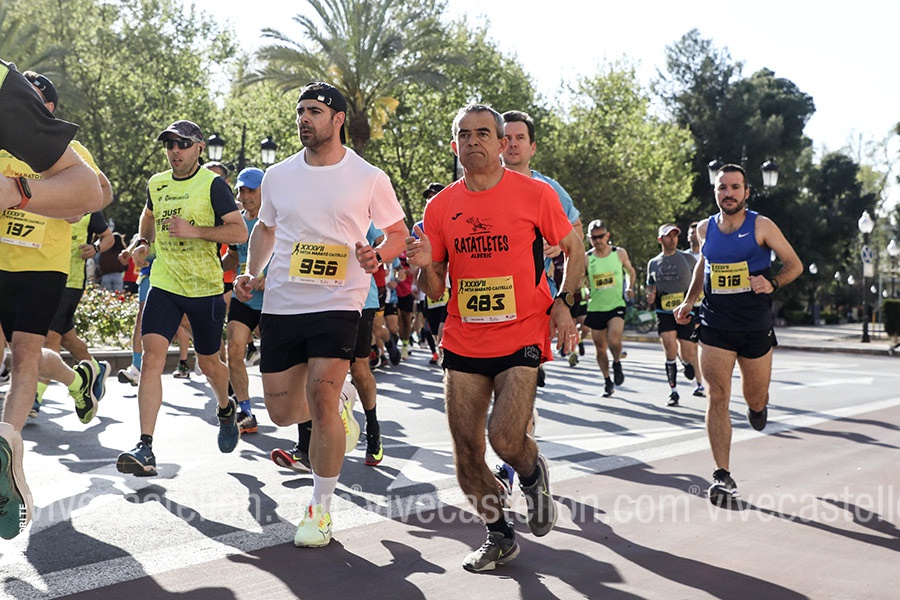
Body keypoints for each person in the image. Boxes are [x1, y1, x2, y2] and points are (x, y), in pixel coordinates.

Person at [405, 103, 584, 573]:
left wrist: (563, 302)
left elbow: (573, 248)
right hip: (464, 338)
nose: (473, 141)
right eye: (464, 135)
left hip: (522, 331)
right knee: (466, 452)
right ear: (454, 145)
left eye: (483, 133)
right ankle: (499, 535)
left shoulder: (535, 194)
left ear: (502, 143)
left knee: (505, 437)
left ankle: (531, 471)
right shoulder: (440, 207)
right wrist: (424, 265)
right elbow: (435, 288)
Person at [234, 82, 407, 548]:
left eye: (314, 111)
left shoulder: (368, 177)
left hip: (339, 301)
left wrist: (377, 255)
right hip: (283, 303)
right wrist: (252, 273)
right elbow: (265, 229)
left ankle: (320, 510)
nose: (304, 119)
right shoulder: (278, 176)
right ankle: (343, 397)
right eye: (300, 111)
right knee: (282, 412)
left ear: (338, 119)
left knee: (322, 398)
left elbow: (396, 233)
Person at [0, 63, 105, 540]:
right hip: (1, 261)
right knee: (16, 352)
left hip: (43, 266)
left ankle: (8, 443)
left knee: (25, 353)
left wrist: (53, 199)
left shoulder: (67, 150)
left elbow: (98, 192)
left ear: (49, 109)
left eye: (39, 100)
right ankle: (78, 379)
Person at [115, 119, 248, 477]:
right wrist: (142, 242)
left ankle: (226, 408)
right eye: (170, 144)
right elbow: (148, 217)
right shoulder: (157, 184)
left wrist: (195, 231)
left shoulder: (213, 185)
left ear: (199, 148)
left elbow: (239, 232)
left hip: (204, 288)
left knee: (210, 364)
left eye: (183, 144)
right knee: (152, 358)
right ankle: (145, 446)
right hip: (164, 283)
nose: (175, 151)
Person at [673, 164, 801, 505]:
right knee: (717, 395)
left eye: (734, 187)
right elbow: (704, 264)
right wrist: (689, 300)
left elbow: (794, 264)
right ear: (715, 192)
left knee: (754, 397)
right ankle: (722, 475)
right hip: (715, 324)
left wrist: (772, 282)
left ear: (746, 192)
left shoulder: (761, 225)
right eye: (722, 187)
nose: (728, 193)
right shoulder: (705, 228)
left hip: (755, 326)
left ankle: (758, 409)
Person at [32, 208, 115, 417]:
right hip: (43, 278)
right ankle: (96, 369)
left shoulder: (88, 210)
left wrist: (95, 248)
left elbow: (109, 237)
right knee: (67, 337)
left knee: (51, 336)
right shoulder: (45, 203)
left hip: (71, 282)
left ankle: (36, 396)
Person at [223, 167, 266, 434]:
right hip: (245, 298)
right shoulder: (237, 222)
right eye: (241, 190)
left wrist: (268, 277)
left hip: (275, 300)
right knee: (234, 350)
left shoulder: (277, 220)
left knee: (277, 363)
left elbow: (293, 257)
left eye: (251, 190)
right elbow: (233, 256)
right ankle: (246, 411)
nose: (245, 195)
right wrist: (211, 269)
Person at [645, 224, 699, 407]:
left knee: (688, 352)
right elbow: (650, 286)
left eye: (675, 235)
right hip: (664, 311)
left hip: (684, 311)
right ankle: (673, 391)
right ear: (660, 240)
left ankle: (687, 364)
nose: (673, 239)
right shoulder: (653, 263)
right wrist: (650, 295)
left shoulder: (688, 259)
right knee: (670, 349)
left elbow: (699, 280)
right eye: (669, 236)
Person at [584, 219, 636, 397]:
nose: (598, 241)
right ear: (589, 238)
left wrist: (630, 287)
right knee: (600, 348)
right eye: (594, 238)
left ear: (607, 236)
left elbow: (630, 271)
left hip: (616, 305)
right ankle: (607, 380)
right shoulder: (587, 258)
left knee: (613, 340)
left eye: (601, 236)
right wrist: (584, 290)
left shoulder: (618, 253)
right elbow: (581, 280)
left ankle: (617, 362)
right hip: (596, 307)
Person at [686, 221, 706, 397]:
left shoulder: (711, 253)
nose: (694, 235)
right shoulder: (683, 257)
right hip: (690, 305)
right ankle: (696, 378)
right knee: (690, 347)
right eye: (691, 233)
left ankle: (701, 383)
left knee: (702, 344)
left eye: (696, 232)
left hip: (707, 306)